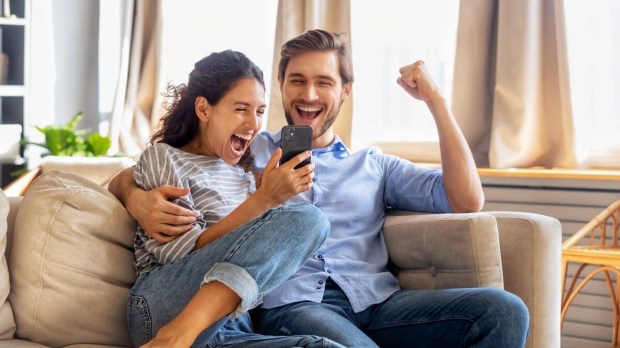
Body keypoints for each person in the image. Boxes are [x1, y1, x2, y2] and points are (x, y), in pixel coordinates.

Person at [109, 30, 529, 347]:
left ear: (345, 91)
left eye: (324, 82)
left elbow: (467, 200)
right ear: (282, 86)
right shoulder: (246, 149)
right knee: (305, 223)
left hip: (377, 303)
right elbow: (162, 161)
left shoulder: (373, 165)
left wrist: (437, 102)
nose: (308, 94)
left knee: (504, 311)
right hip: (295, 306)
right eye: (297, 81)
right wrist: (135, 195)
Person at [125, 49, 343, 348]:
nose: (253, 123)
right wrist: (263, 201)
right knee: (310, 219)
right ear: (203, 109)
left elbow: (252, 262)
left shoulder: (244, 175)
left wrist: (266, 200)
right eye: (241, 109)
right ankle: (174, 336)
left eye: (260, 111)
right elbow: (177, 254)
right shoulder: (165, 158)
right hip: (164, 305)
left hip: (228, 327)